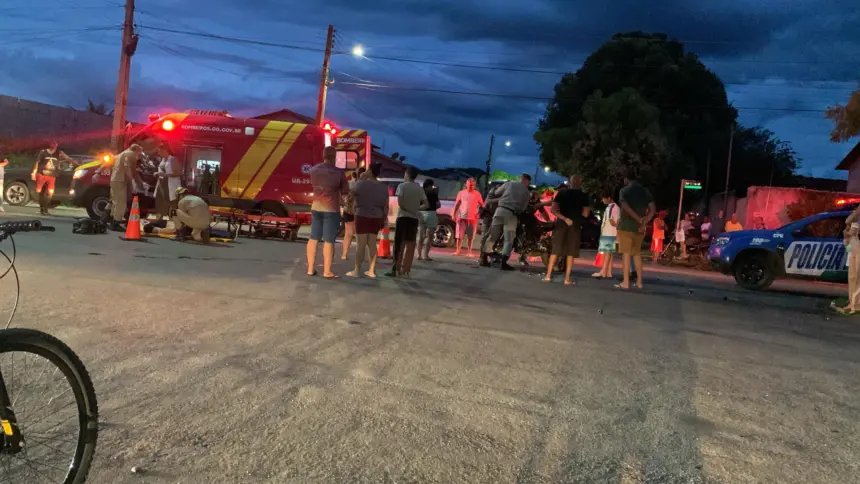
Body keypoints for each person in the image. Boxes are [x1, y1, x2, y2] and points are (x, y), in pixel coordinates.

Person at [307, 146, 349, 278]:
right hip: (331, 209)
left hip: (316, 206)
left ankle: (310, 269)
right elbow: (345, 193)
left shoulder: (314, 170)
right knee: (329, 240)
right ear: (334, 157)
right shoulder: (338, 172)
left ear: (323, 155)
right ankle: (327, 271)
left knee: (313, 238)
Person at [543, 175, 590, 285]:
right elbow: (586, 213)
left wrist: (564, 218)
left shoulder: (562, 193)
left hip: (561, 224)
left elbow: (554, 210)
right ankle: (567, 279)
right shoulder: (583, 195)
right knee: (570, 252)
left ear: (570, 182)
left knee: (556, 250)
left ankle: (548, 276)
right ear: (580, 181)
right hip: (575, 225)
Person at [480, 173, 531, 271]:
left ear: (520, 178)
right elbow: (523, 208)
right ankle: (503, 263)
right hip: (511, 214)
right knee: (509, 239)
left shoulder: (510, 184)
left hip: (500, 211)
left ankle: (484, 258)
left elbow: (497, 192)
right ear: (527, 181)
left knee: (492, 236)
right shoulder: (526, 192)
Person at [347, 164, 388, 278]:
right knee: (372, 244)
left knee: (361, 244)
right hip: (377, 217)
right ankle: (371, 271)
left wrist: (360, 178)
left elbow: (350, 195)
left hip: (362, 215)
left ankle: (356, 271)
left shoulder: (361, 183)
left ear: (369, 171)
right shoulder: (384, 187)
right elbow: (385, 206)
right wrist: (383, 219)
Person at [616, 170, 655, 290]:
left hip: (626, 226)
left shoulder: (624, 191)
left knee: (626, 254)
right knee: (637, 254)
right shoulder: (645, 191)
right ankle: (639, 282)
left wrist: (638, 219)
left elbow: (625, 207)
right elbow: (653, 208)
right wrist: (645, 220)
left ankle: (626, 282)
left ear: (627, 179)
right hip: (639, 229)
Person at [386, 166, 427, 278]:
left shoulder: (402, 186)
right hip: (413, 219)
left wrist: (410, 209)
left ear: (407, 174)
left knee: (399, 244)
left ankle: (396, 269)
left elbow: (401, 204)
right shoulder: (419, 189)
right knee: (410, 244)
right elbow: (426, 204)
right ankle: (406, 270)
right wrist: (416, 209)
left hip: (403, 218)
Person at [31, 141, 75, 215]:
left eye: (55, 144)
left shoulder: (59, 153)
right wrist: (34, 172)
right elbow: (37, 162)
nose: (54, 145)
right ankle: (42, 209)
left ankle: (45, 209)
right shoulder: (43, 152)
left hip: (52, 175)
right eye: (52, 143)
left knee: (50, 192)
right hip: (42, 173)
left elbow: (68, 158)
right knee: (40, 191)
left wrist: (75, 164)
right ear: (50, 144)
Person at [109, 144, 143, 228]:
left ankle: (113, 219)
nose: (139, 155)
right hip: (120, 180)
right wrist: (139, 182)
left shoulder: (121, 154)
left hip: (114, 179)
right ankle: (116, 222)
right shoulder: (131, 154)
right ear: (136, 150)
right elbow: (132, 169)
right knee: (121, 202)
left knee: (116, 201)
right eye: (139, 153)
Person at [452, 178, 484, 257]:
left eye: (472, 185)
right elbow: (457, 204)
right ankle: (458, 250)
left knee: (471, 236)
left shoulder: (477, 194)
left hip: (473, 218)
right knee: (459, 235)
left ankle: (469, 251)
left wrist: (479, 213)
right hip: (461, 217)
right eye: (469, 185)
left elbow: (482, 205)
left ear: (475, 185)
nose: (471, 186)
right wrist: (453, 214)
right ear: (466, 184)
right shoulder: (461, 193)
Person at [593, 193, 619, 279]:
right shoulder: (616, 207)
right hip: (612, 233)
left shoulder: (611, 207)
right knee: (610, 253)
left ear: (609, 198)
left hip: (608, 232)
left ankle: (603, 271)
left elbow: (612, 221)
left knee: (607, 253)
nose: (602, 200)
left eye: (603, 198)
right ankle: (609, 272)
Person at [341, 167, 365, 260]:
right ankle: (358, 255)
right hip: (359, 212)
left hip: (348, 210)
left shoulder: (350, 183)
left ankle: (344, 254)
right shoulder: (364, 185)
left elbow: (344, 195)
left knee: (348, 233)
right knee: (357, 233)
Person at [154, 145, 181, 221]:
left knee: (171, 202)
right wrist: (157, 173)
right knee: (160, 201)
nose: (158, 153)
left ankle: (174, 221)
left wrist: (166, 175)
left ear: (165, 150)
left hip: (170, 185)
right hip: (161, 183)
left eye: (159, 151)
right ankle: (159, 220)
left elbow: (178, 173)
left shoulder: (173, 159)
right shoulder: (162, 160)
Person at [417, 179, 441, 261]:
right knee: (429, 236)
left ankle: (419, 255)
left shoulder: (420, 193)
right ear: (429, 185)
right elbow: (439, 205)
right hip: (431, 214)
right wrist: (433, 207)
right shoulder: (433, 194)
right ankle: (425, 255)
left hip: (421, 214)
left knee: (420, 236)